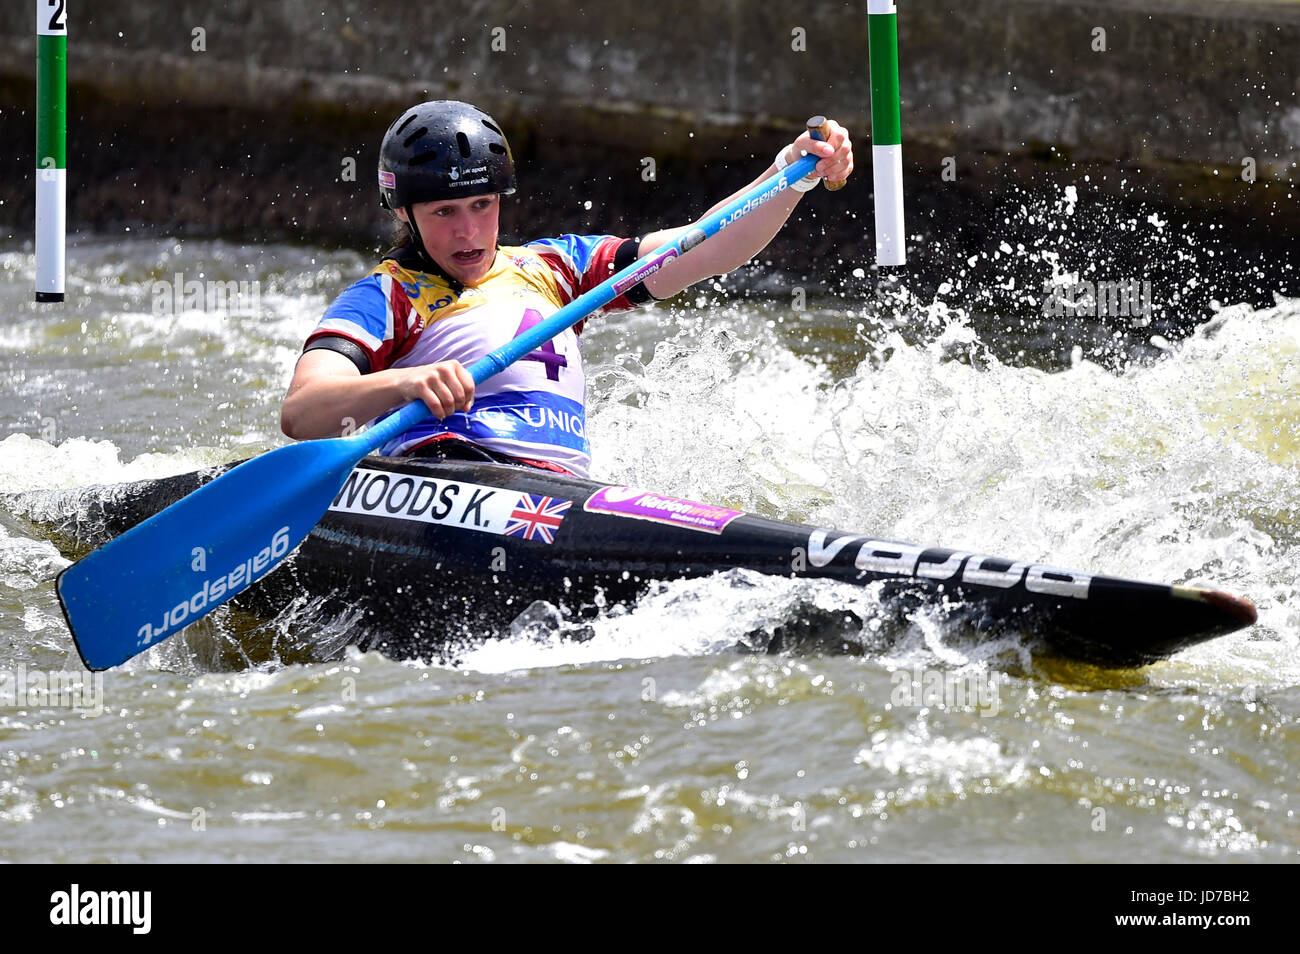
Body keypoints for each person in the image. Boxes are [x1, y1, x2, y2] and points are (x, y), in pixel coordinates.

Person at [280, 100, 853, 477]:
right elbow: (304, 413)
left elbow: (707, 247)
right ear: (405, 213)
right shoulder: (385, 296)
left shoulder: (555, 265)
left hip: (557, 496)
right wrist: (409, 380)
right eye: (444, 212)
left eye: (482, 205)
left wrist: (789, 175)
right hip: (450, 478)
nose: (468, 231)